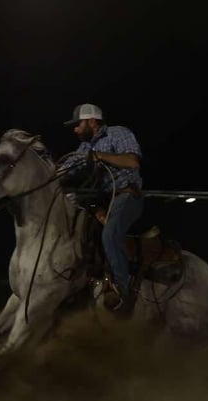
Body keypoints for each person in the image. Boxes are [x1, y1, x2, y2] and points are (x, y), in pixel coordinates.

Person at [58, 103, 143, 313]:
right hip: (101, 201)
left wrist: (100, 156)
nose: (75, 129)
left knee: (110, 234)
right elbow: (63, 171)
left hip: (126, 196)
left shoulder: (118, 133)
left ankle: (124, 292)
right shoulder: (83, 148)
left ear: (92, 122)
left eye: (78, 124)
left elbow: (132, 161)